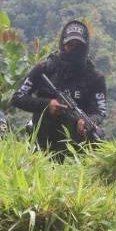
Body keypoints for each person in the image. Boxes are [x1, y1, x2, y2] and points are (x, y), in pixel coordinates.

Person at [11, 19, 107, 156]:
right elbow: (17, 98)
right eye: (70, 45)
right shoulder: (45, 69)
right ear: (63, 44)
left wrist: (88, 122)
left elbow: (100, 111)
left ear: (85, 47)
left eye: (78, 46)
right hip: (43, 147)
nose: (73, 49)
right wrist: (47, 105)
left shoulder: (95, 77)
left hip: (77, 151)